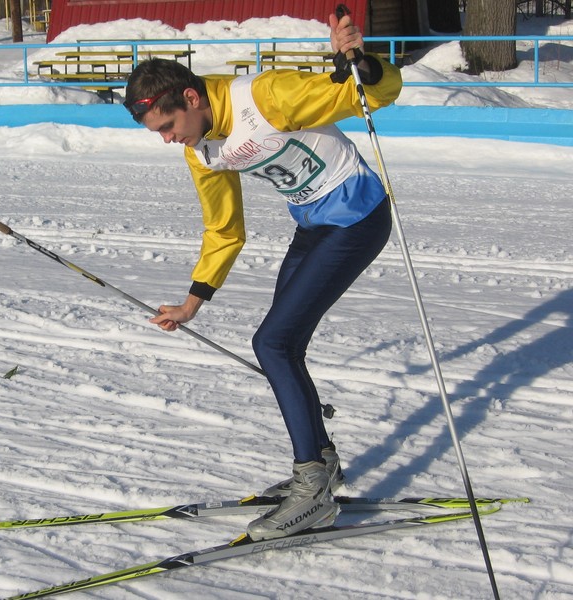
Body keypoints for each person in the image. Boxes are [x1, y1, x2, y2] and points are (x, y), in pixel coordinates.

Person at [123, 13, 402, 540]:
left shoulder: (265, 96)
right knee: (282, 345)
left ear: (190, 98)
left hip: (358, 218)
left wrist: (360, 64)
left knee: (272, 343)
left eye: (167, 126)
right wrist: (192, 302)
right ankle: (322, 464)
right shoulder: (201, 148)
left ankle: (312, 487)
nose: (167, 140)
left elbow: (370, 94)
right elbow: (224, 228)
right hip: (314, 224)